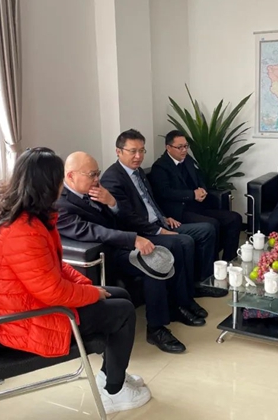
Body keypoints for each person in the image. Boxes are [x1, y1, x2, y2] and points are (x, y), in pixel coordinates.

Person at [0, 147, 150, 414]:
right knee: (123, 311)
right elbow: (52, 291)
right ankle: (114, 393)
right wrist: (92, 294)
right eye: (59, 180)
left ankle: (111, 376)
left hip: (29, 303)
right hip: (22, 320)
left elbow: (55, 268)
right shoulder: (22, 231)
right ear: (46, 185)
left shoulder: (30, 217)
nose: (62, 187)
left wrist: (89, 287)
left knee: (119, 295)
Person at [56, 151, 203, 354]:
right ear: (71, 175)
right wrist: (133, 239)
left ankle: (179, 304)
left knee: (173, 246)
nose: (97, 179)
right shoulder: (60, 204)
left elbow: (124, 217)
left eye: (98, 173)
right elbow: (92, 231)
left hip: (122, 243)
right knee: (152, 263)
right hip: (104, 254)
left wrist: (112, 203)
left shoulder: (94, 189)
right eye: (92, 174)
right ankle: (156, 329)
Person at [100, 129, 224, 298]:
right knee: (184, 241)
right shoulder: (113, 178)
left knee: (207, 230)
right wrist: (160, 230)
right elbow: (127, 217)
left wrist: (163, 216)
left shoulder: (138, 171)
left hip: (159, 222)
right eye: (133, 151)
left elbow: (150, 201)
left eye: (141, 150)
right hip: (142, 232)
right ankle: (184, 295)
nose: (138, 156)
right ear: (118, 151)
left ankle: (202, 282)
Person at [149, 130, 243, 262]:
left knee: (234, 218)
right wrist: (192, 194)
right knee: (212, 223)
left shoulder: (187, 159)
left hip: (198, 206)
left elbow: (199, 178)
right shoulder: (160, 167)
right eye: (179, 147)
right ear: (168, 148)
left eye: (186, 146)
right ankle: (212, 265)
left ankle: (229, 261)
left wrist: (202, 189)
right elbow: (165, 193)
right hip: (179, 212)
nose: (184, 150)